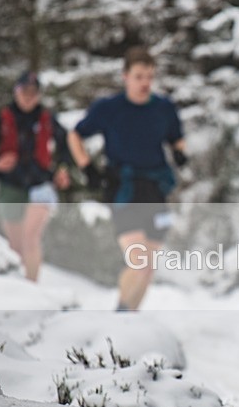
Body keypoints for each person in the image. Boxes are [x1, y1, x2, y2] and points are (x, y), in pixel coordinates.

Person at [67, 46, 187, 311]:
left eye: (149, 77)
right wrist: (87, 168)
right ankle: (120, 313)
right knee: (139, 260)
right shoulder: (109, 108)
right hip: (124, 188)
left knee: (149, 268)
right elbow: (75, 135)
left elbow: (177, 138)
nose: (145, 83)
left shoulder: (164, 108)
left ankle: (130, 318)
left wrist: (179, 152)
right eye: (139, 76)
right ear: (125, 76)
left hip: (155, 189)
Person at [0, 71, 72, 281]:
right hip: (11, 184)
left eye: (33, 92)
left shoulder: (46, 118)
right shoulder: (3, 118)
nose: (28, 96)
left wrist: (63, 168)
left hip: (41, 184)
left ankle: (32, 287)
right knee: (15, 244)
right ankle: (17, 288)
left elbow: (66, 144)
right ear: (15, 92)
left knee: (31, 237)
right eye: (24, 91)